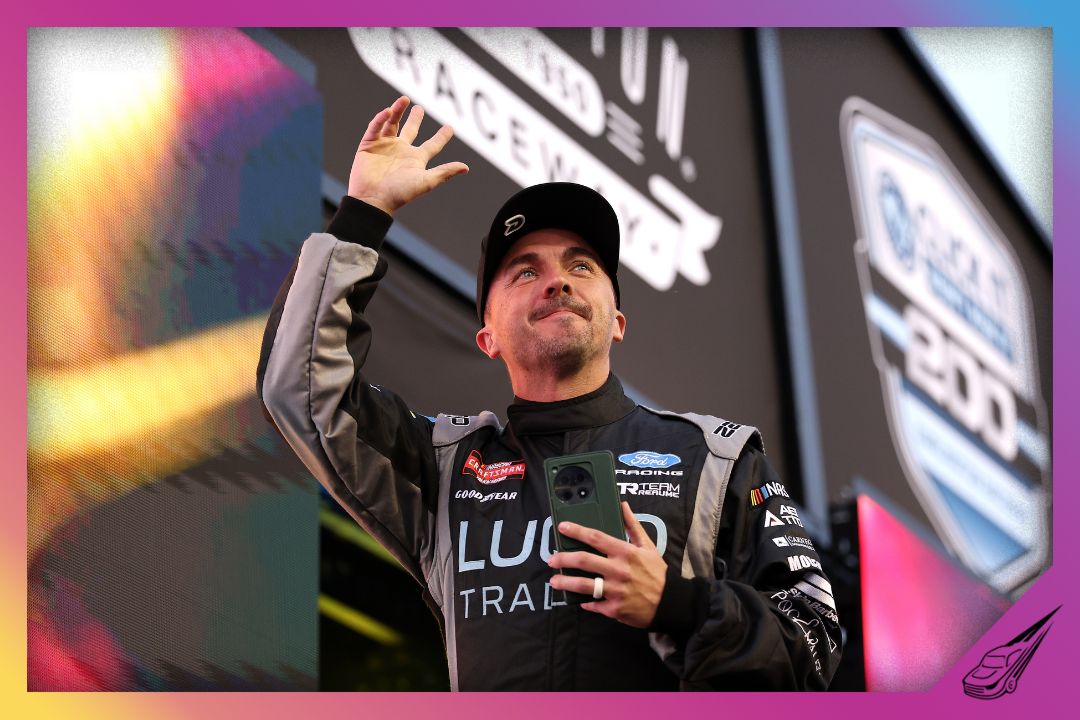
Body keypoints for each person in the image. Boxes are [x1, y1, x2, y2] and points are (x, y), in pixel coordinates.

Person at [257, 95, 842, 691]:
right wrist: (364, 213)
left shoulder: (717, 460)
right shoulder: (444, 467)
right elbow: (302, 390)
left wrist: (677, 604)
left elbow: (815, 646)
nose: (558, 279)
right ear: (487, 336)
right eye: (526, 271)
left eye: (582, 265)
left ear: (618, 319)